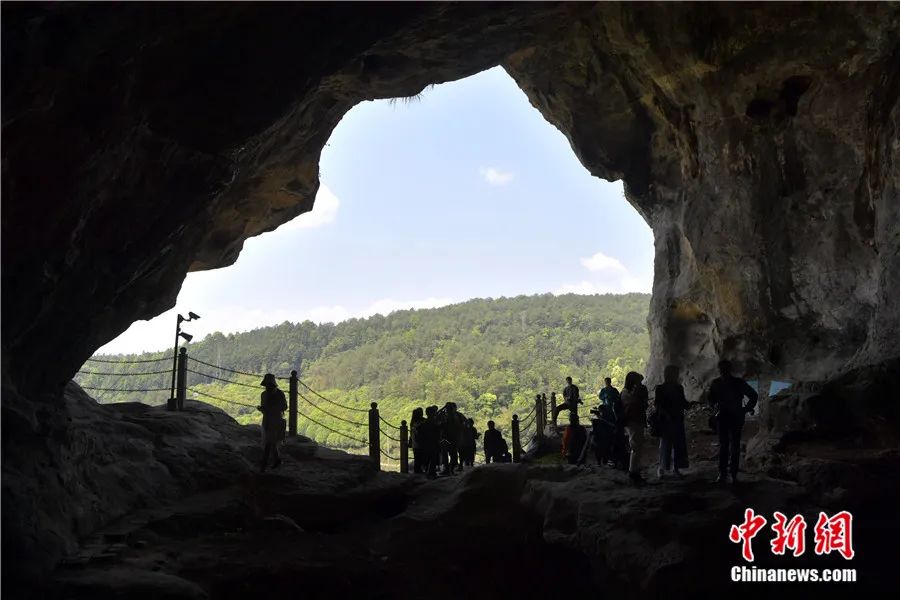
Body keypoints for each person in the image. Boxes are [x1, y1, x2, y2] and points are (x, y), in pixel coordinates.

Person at [707, 359, 758, 484]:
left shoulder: (735, 382)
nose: (722, 371)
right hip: (724, 417)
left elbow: (753, 395)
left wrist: (745, 409)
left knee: (733, 446)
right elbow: (710, 400)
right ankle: (725, 473)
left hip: (734, 417)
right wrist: (715, 406)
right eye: (721, 368)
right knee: (726, 446)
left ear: (728, 369)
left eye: (724, 368)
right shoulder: (718, 383)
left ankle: (731, 474)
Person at [654, 365, 694, 479]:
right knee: (665, 445)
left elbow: (683, 402)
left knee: (676, 445)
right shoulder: (662, 388)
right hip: (667, 420)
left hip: (675, 419)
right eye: (676, 373)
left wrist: (689, 405)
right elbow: (658, 404)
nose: (677, 375)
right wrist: (666, 414)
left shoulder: (677, 388)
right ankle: (662, 468)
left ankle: (674, 468)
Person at [621, 371, 649, 482]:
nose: (639, 384)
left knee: (637, 446)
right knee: (636, 447)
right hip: (633, 422)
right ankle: (633, 472)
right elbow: (636, 404)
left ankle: (635, 470)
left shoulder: (626, 392)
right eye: (637, 381)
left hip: (634, 421)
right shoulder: (627, 393)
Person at [258, 373, 287, 472]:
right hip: (274, 420)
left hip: (270, 421)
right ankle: (276, 460)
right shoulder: (279, 394)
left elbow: (265, 409)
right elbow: (285, 407)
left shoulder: (264, 395)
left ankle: (264, 465)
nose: (267, 387)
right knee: (272, 442)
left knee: (268, 443)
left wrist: (264, 409)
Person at [418, 405, 441, 479]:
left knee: (427, 459)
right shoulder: (435, 423)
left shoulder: (423, 424)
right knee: (433, 459)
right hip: (434, 443)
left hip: (426, 444)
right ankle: (432, 473)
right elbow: (438, 432)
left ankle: (428, 473)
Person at [409, 407, 425, 474]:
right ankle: (418, 471)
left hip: (415, 443)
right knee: (419, 458)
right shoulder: (420, 422)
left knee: (417, 458)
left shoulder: (413, 422)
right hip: (419, 443)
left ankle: (417, 471)